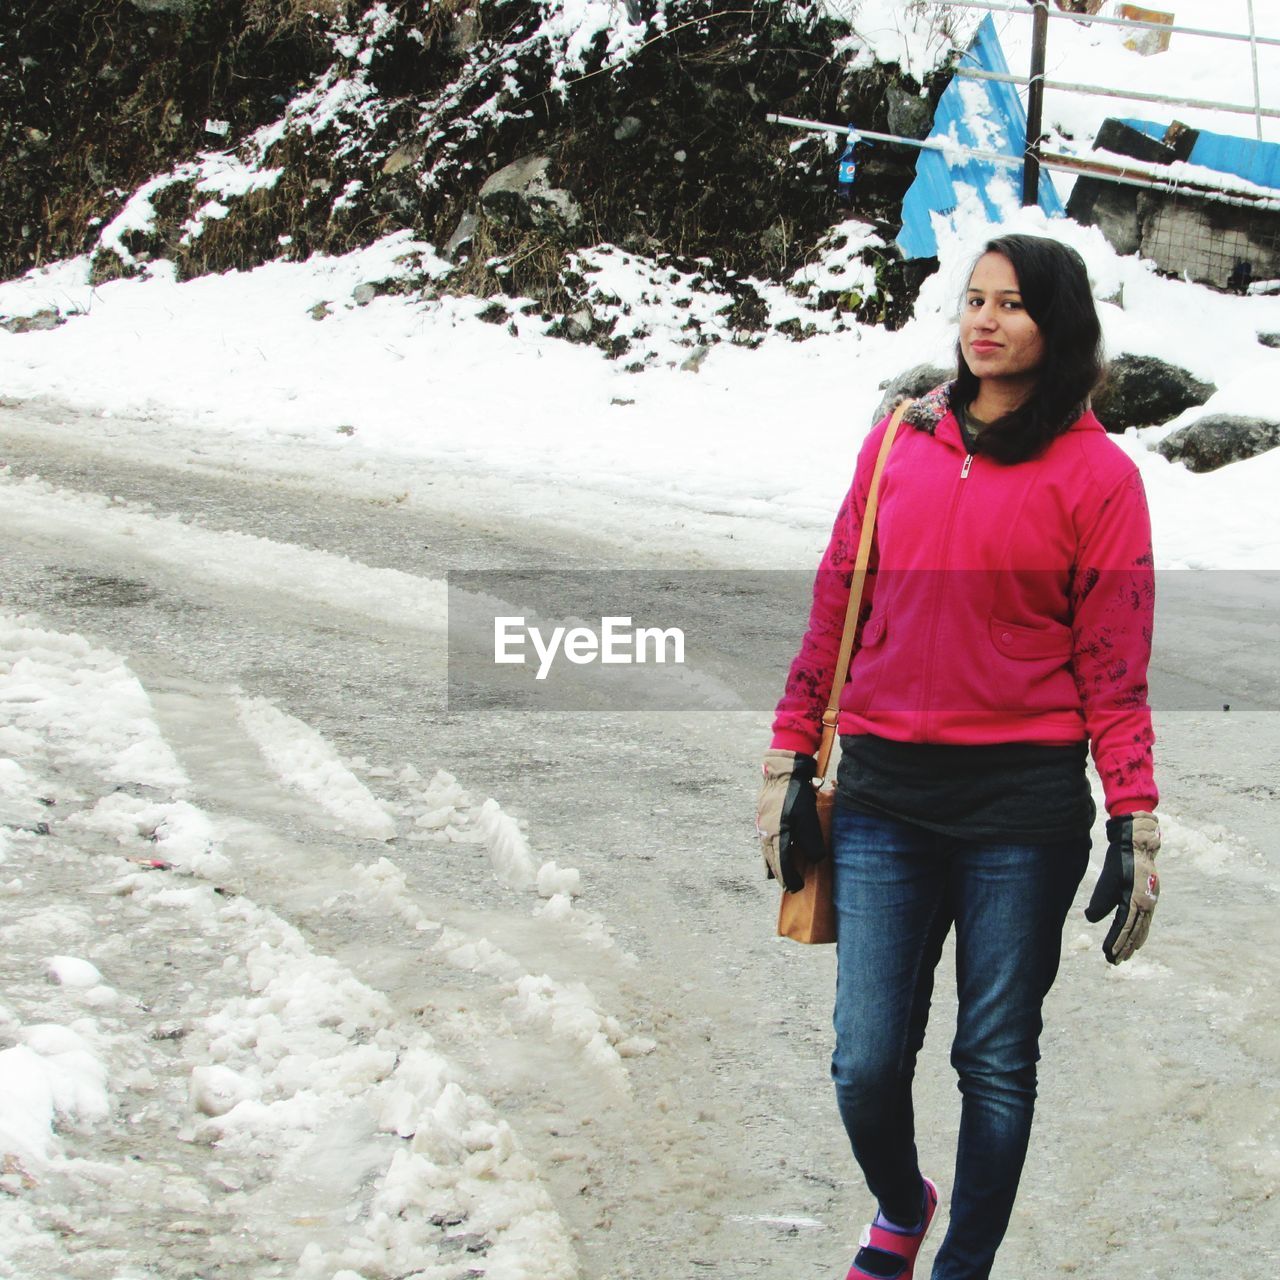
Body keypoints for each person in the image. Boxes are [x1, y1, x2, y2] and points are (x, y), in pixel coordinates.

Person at [755, 234, 1162, 1280]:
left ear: (1056, 323)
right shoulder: (901, 441)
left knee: (991, 1058)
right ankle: (900, 1201)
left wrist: (1130, 817)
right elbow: (836, 598)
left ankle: (960, 1265)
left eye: (1011, 304)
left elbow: (1113, 665)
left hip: (1019, 814)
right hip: (886, 794)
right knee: (863, 1058)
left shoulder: (1099, 476)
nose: (982, 321)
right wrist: (790, 759)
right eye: (972, 301)